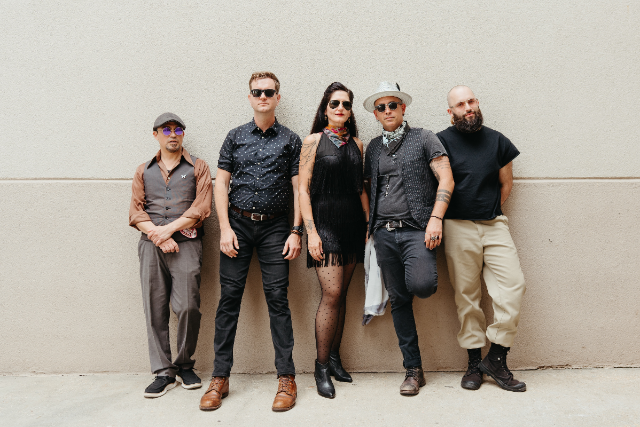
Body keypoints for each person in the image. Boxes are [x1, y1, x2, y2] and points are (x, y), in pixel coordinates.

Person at [199, 72, 303, 412]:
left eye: (269, 92)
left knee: (278, 300)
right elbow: (220, 184)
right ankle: (220, 378)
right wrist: (225, 229)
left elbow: (298, 189)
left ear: (277, 97)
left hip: (276, 229)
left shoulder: (291, 139)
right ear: (249, 97)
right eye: (257, 92)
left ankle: (286, 378)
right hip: (238, 227)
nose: (263, 97)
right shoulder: (235, 136)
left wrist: (296, 231)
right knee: (228, 300)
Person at [363, 82, 454, 396]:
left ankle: (414, 367)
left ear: (403, 108)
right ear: (376, 114)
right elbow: (368, 188)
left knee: (422, 285)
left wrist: (436, 219)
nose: (387, 111)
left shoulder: (424, 138)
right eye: (381, 107)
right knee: (399, 301)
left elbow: (446, 178)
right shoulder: (374, 147)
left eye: (393, 105)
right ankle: (413, 370)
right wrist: (370, 226)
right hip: (384, 233)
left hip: (417, 229)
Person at [437, 85, 527, 392]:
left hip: (494, 225)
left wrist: (488, 209)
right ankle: (474, 364)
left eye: (471, 101)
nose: (468, 108)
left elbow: (506, 184)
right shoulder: (440, 142)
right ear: (451, 112)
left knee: (514, 286)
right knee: (467, 297)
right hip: (456, 227)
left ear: (477, 103)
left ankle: (496, 358)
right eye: (460, 104)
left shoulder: (498, 141)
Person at [129, 112, 213, 398]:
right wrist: (157, 235)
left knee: (188, 306)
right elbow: (136, 212)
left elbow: (201, 208)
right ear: (155, 135)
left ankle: (185, 364)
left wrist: (168, 231)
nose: (172, 134)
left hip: (187, 244)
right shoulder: (143, 170)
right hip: (150, 246)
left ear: (183, 134)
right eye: (166, 130)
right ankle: (163, 372)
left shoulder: (199, 167)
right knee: (154, 307)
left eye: (178, 129)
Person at [298, 82, 369, 398]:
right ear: (325, 109)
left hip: (352, 225)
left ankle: (336, 359)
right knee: (332, 293)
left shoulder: (358, 144)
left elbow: (360, 188)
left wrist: (368, 224)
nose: (340, 108)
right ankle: (321, 366)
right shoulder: (312, 141)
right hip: (324, 225)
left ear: (351, 111)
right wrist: (310, 232)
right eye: (334, 103)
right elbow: (303, 190)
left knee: (342, 296)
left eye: (346, 104)